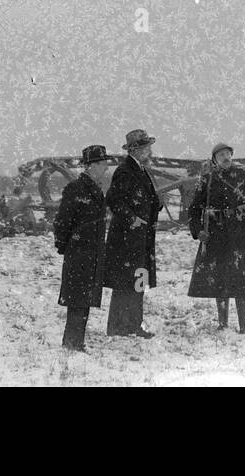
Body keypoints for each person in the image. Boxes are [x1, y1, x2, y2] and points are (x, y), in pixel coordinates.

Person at [187, 143, 245, 333]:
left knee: (242, 280)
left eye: (228, 154)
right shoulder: (207, 180)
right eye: (221, 155)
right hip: (216, 236)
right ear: (214, 159)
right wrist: (198, 231)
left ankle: (244, 325)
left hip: (241, 234)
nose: (225, 157)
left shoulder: (243, 177)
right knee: (220, 280)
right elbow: (193, 209)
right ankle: (223, 324)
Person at [53, 146, 114, 351]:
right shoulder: (76, 188)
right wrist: (66, 246)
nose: (106, 168)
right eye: (103, 164)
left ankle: (75, 341)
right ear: (92, 166)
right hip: (80, 253)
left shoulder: (94, 188)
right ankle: (72, 343)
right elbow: (62, 221)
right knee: (78, 300)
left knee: (83, 299)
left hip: (91, 253)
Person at [103, 129, 162, 338]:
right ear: (136, 150)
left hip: (141, 238)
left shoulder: (141, 170)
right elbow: (114, 200)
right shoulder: (124, 171)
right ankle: (119, 327)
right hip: (127, 240)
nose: (150, 152)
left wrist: (156, 204)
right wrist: (132, 219)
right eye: (147, 148)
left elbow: (147, 198)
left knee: (138, 282)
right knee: (124, 284)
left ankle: (134, 324)